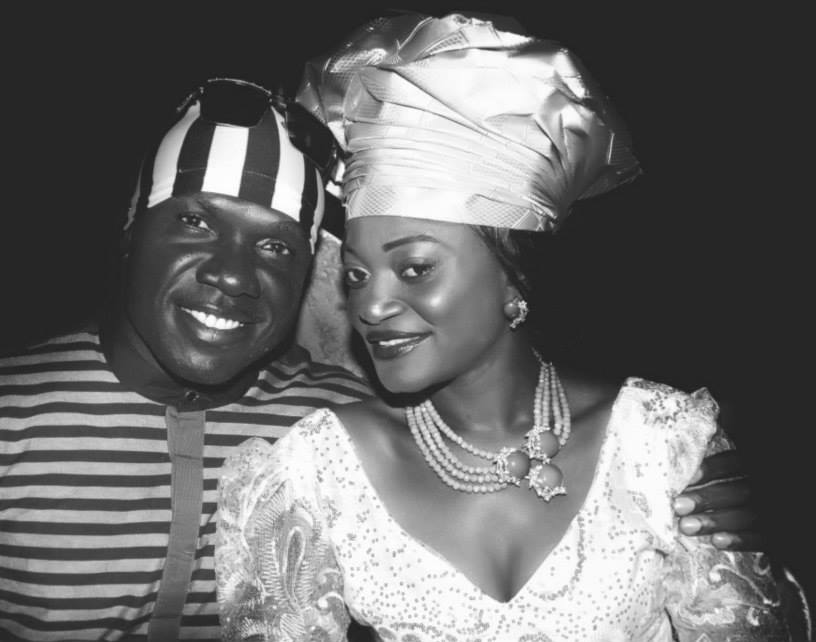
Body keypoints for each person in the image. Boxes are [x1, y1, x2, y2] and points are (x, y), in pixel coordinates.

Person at [0, 75, 764, 641]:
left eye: (277, 247)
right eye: (194, 223)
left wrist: (719, 544)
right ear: (130, 233)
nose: (230, 275)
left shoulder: (325, 421)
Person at [216, 13, 811, 641]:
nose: (371, 305)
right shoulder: (314, 470)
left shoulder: (660, 445)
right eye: (357, 275)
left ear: (512, 278)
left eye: (415, 268)